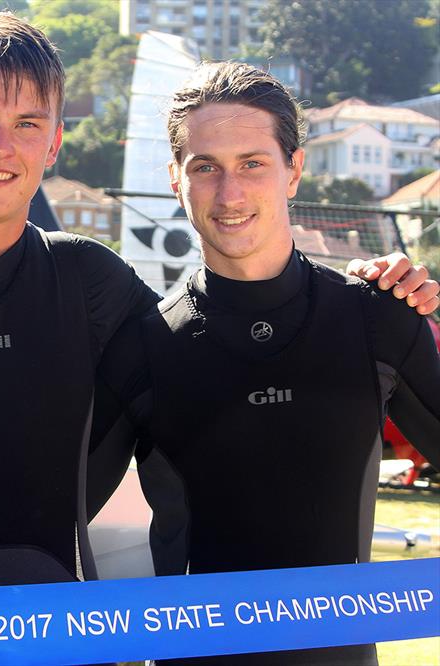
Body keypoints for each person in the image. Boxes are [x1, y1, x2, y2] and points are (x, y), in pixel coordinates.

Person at [0, 13, 437, 593]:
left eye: (26, 123)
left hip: (62, 648)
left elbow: (237, 345)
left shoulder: (94, 284)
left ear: (55, 142)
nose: (0, 147)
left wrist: (375, 293)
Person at [93, 62, 440, 665]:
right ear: (176, 178)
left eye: (253, 162)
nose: (230, 194)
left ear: (294, 170)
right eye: (206, 167)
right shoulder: (143, 347)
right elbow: (48, 519)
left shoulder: (377, 318)